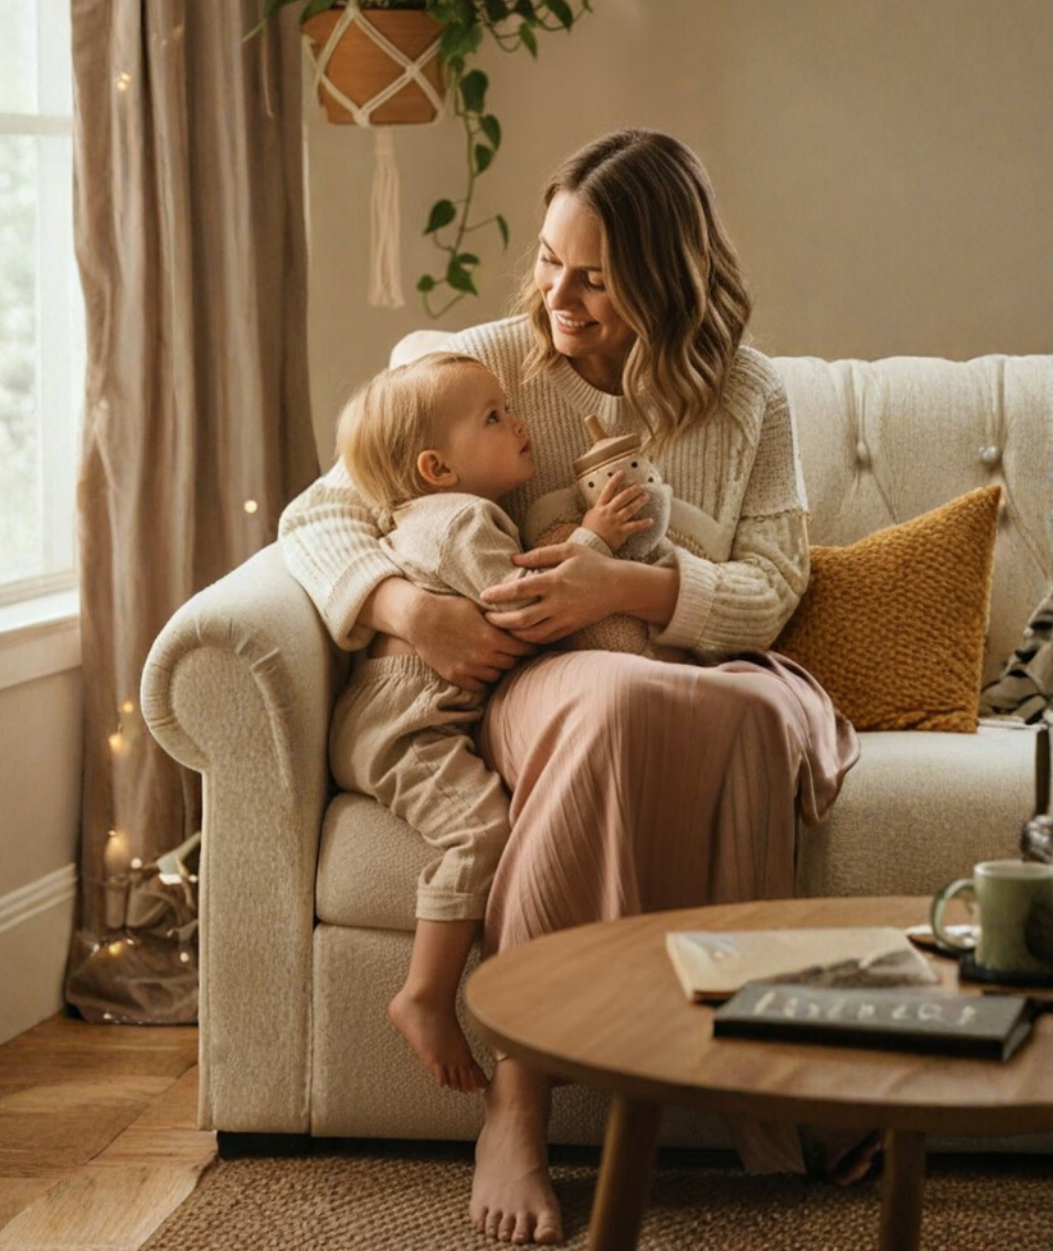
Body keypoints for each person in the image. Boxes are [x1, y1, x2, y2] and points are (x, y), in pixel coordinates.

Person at [280, 128, 861, 1245]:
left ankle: (759, 1077)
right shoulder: (482, 361)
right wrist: (414, 612)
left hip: (695, 665)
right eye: (551, 261)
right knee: (612, 702)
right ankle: (518, 1100)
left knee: (742, 713)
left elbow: (774, 585)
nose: (562, 296)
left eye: (596, 277)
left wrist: (629, 586)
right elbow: (324, 514)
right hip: (545, 680)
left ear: (667, 274)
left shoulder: (749, 399)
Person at [329, 351, 655, 1095]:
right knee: (481, 831)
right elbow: (529, 607)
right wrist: (596, 540)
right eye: (495, 418)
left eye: (508, 408)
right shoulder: (461, 521)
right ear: (437, 468)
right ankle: (424, 995)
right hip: (401, 725)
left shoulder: (439, 519)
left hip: (403, 716)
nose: (519, 423)